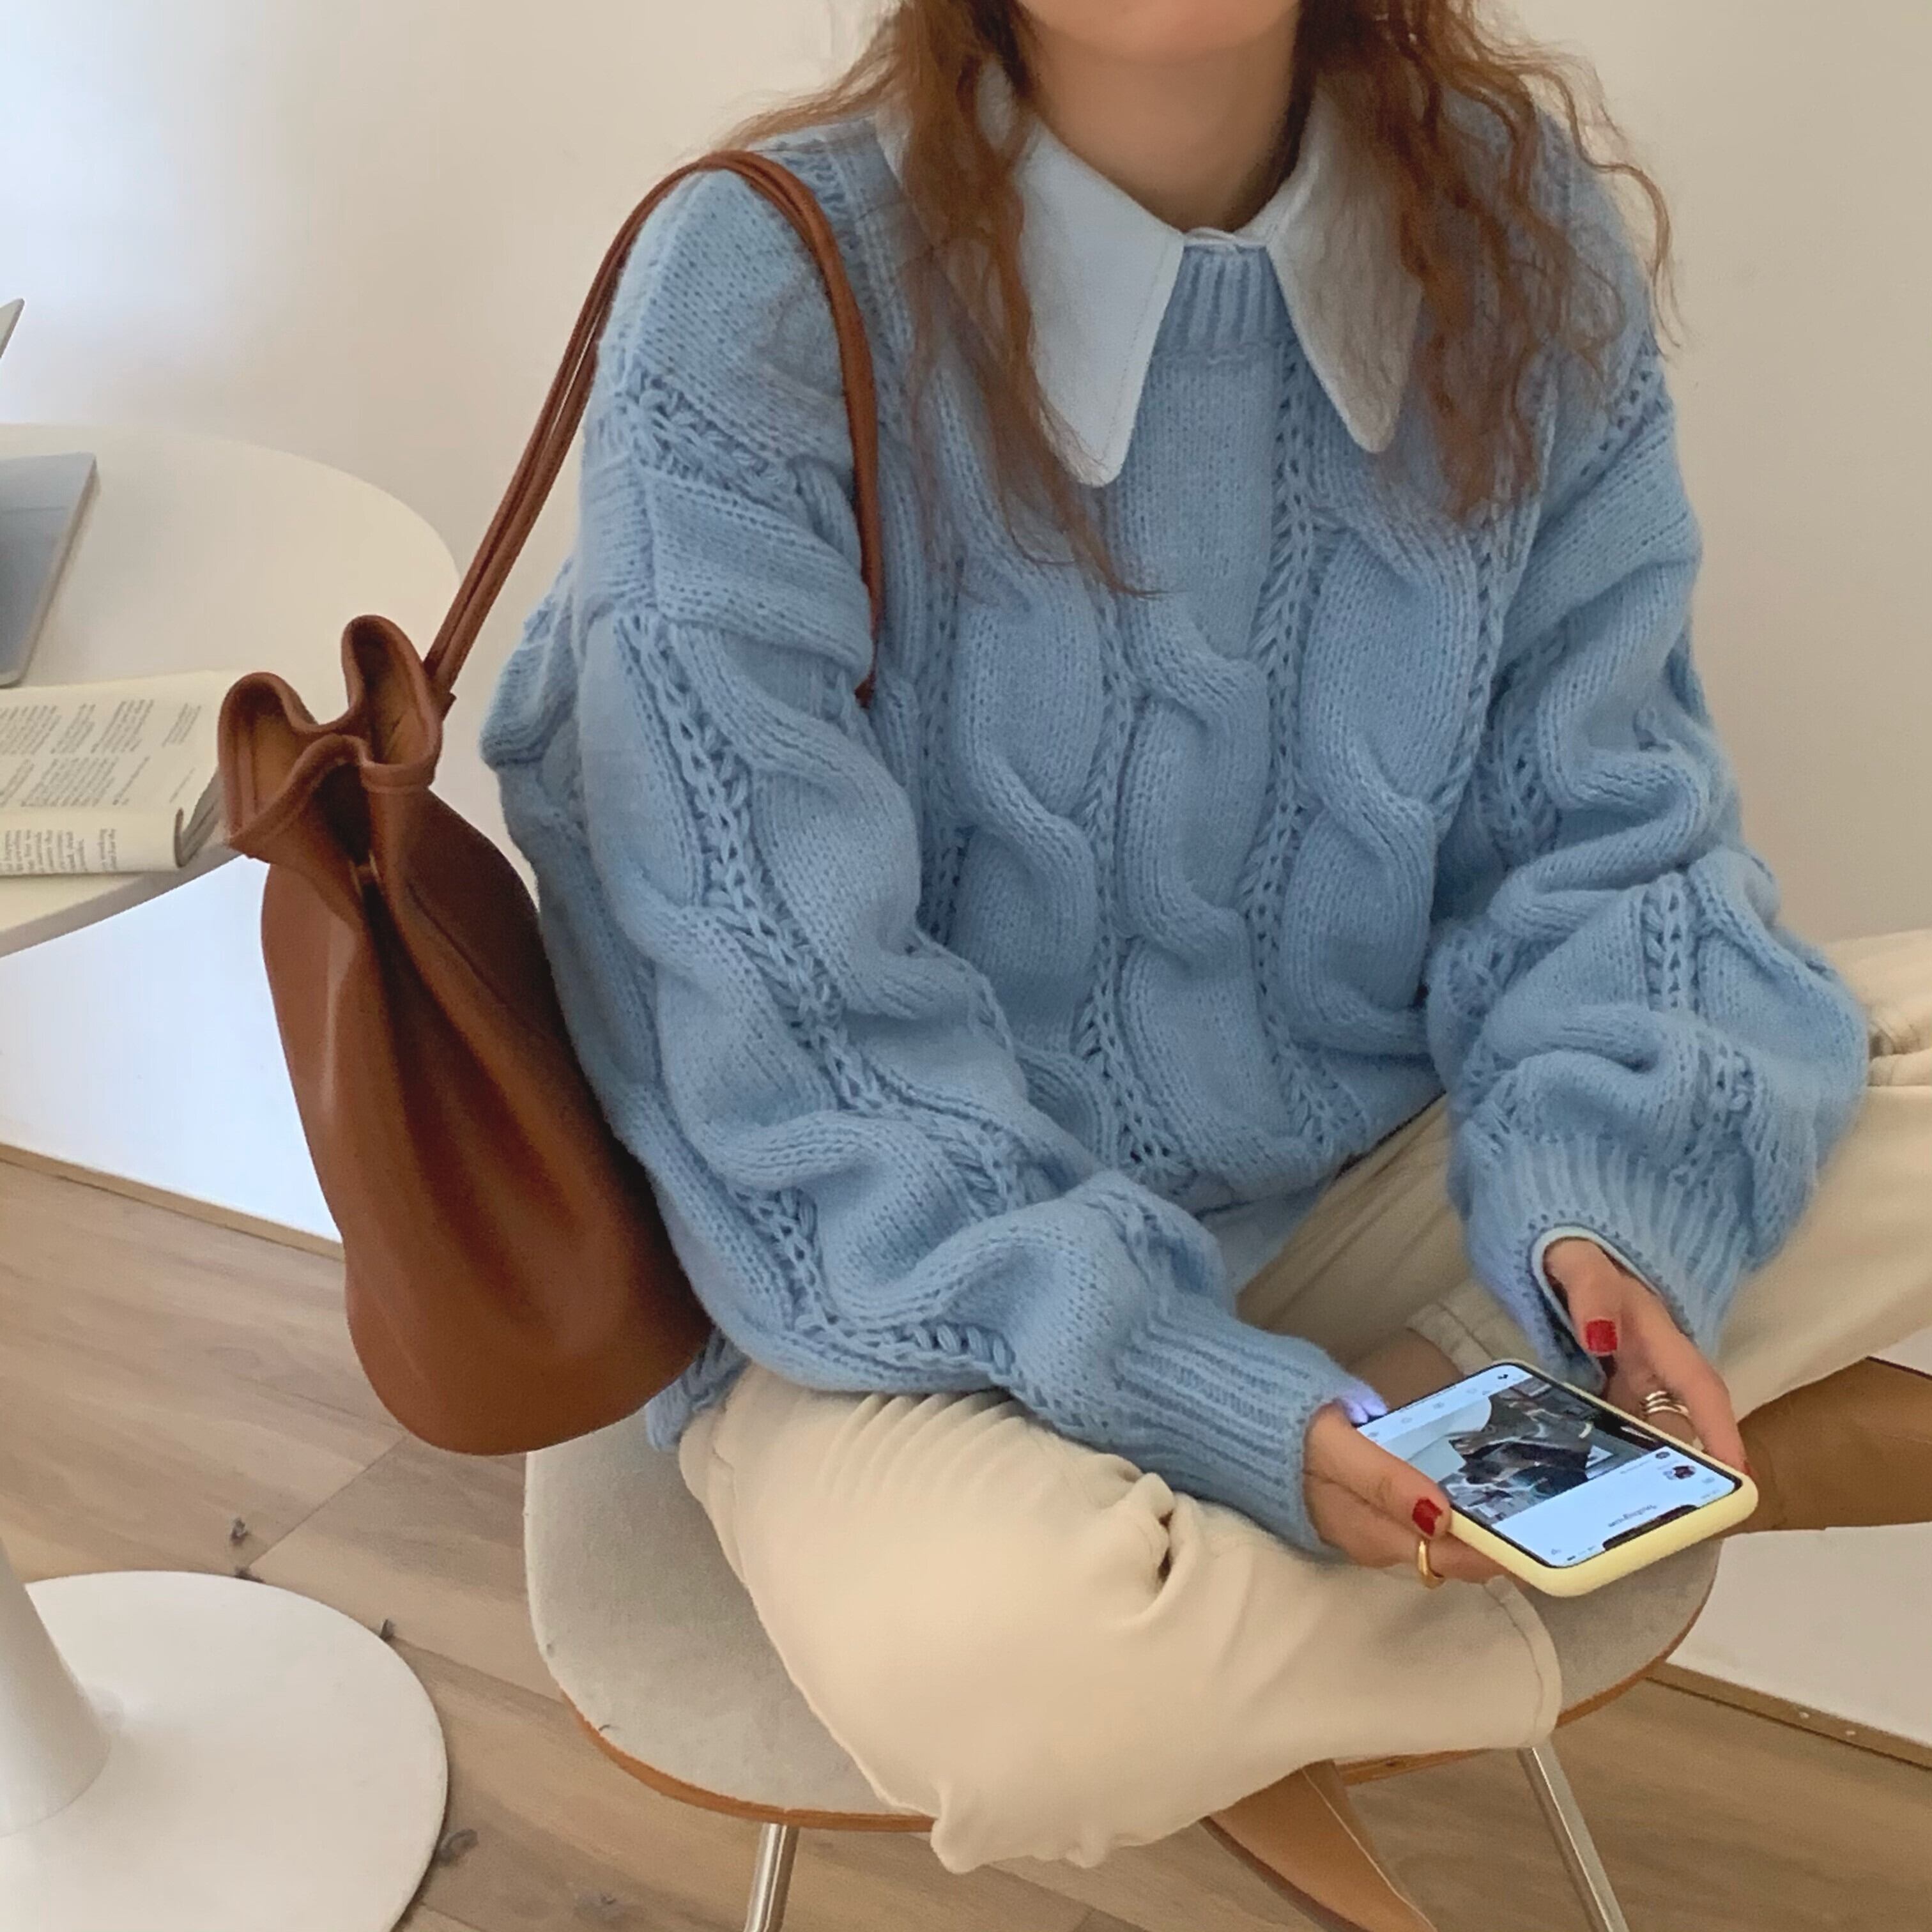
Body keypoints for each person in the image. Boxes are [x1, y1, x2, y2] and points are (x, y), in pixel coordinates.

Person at [485, 2, 1932, 1921]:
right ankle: (1555, 1474)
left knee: (1831, 1061)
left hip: (1368, 1193)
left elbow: (1605, 838)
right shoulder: (758, 290)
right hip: (907, 1300)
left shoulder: (1511, 229)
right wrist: (1193, 1392)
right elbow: (785, 1037)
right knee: (1020, 1683)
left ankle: (1417, 1461)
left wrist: (1599, 1209)